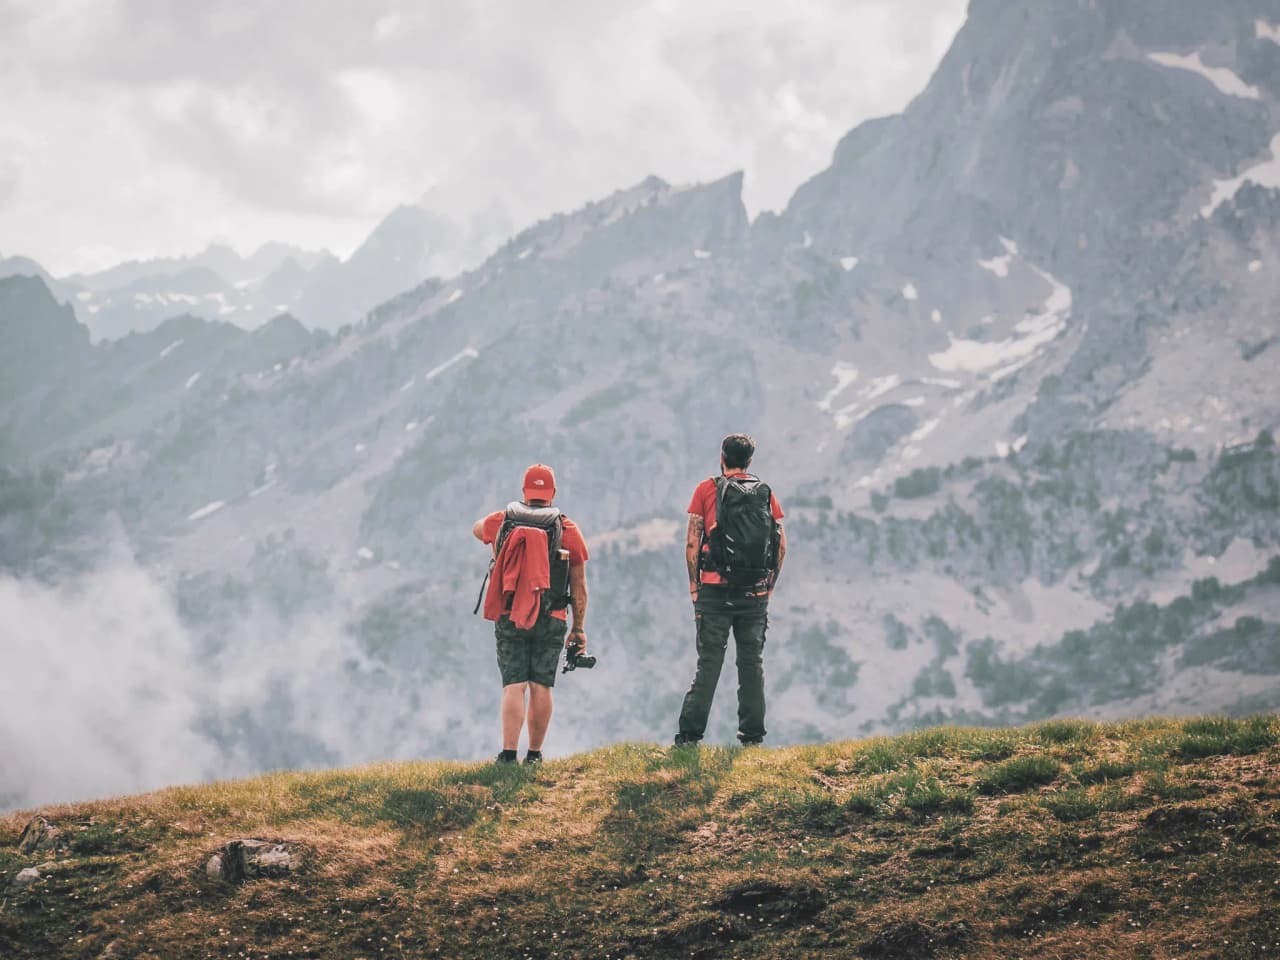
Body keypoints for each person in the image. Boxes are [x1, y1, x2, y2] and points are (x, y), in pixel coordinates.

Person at [473, 464, 589, 765]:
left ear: (525, 492)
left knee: (514, 684)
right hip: (552, 616)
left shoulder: (504, 520)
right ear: (553, 493)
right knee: (541, 685)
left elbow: (476, 529)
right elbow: (579, 585)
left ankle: (508, 754)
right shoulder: (567, 529)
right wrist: (579, 629)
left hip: (510, 614)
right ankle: (534, 754)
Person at [675, 434, 786, 747]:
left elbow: (693, 541)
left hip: (715, 590)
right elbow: (781, 544)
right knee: (751, 663)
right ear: (750, 461)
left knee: (709, 662)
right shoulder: (765, 492)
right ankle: (752, 736)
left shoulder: (707, 489)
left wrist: (694, 586)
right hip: (755, 594)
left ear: (721, 456)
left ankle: (689, 737)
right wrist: (770, 586)